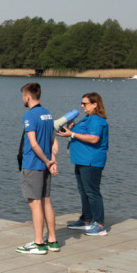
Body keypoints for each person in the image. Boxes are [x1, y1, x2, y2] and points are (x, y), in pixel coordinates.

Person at [16, 82, 60, 255]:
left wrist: (47, 161)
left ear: (27, 96)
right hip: (45, 164)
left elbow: (34, 144)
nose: (22, 100)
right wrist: (52, 159)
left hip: (33, 165)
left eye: (22, 97)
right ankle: (53, 241)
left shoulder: (30, 116)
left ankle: (39, 243)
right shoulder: (47, 114)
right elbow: (54, 141)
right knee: (46, 201)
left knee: (35, 204)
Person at [58, 92, 110, 236]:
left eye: (85, 103)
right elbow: (79, 134)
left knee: (92, 191)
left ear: (95, 104)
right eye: (82, 103)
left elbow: (93, 138)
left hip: (91, 161)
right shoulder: (87, 118)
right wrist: (71, 129)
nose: (82, 106)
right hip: (81, 160)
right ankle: (86, 219)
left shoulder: (97, 120)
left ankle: (99, 224)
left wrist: (72, 134)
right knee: (83, 190)